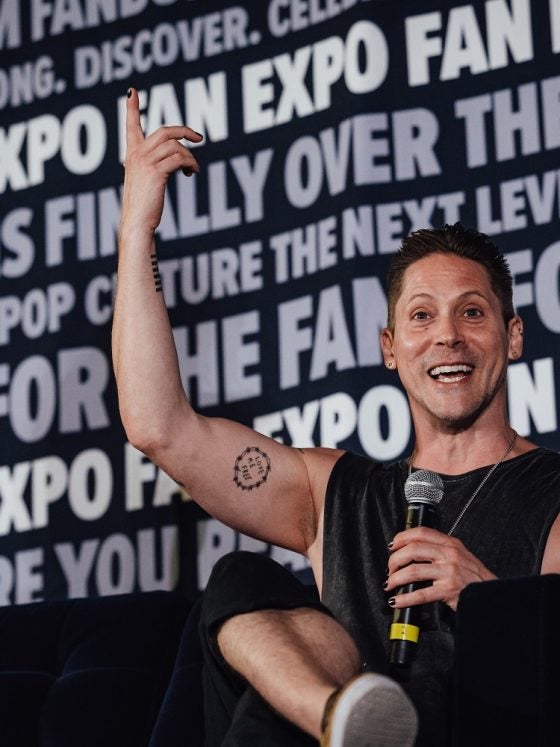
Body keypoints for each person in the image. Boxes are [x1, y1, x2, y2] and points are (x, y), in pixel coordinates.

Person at [112, 88, 560, 746]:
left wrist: (489, 600)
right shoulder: (333, 493)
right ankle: (341, 717)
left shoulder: (553, 493)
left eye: (472, 312)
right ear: (390, 348)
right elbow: (158, 427)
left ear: (513, 336)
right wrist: (135, 230)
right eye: (422, 316)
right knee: (240, 579)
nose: (447, 336)